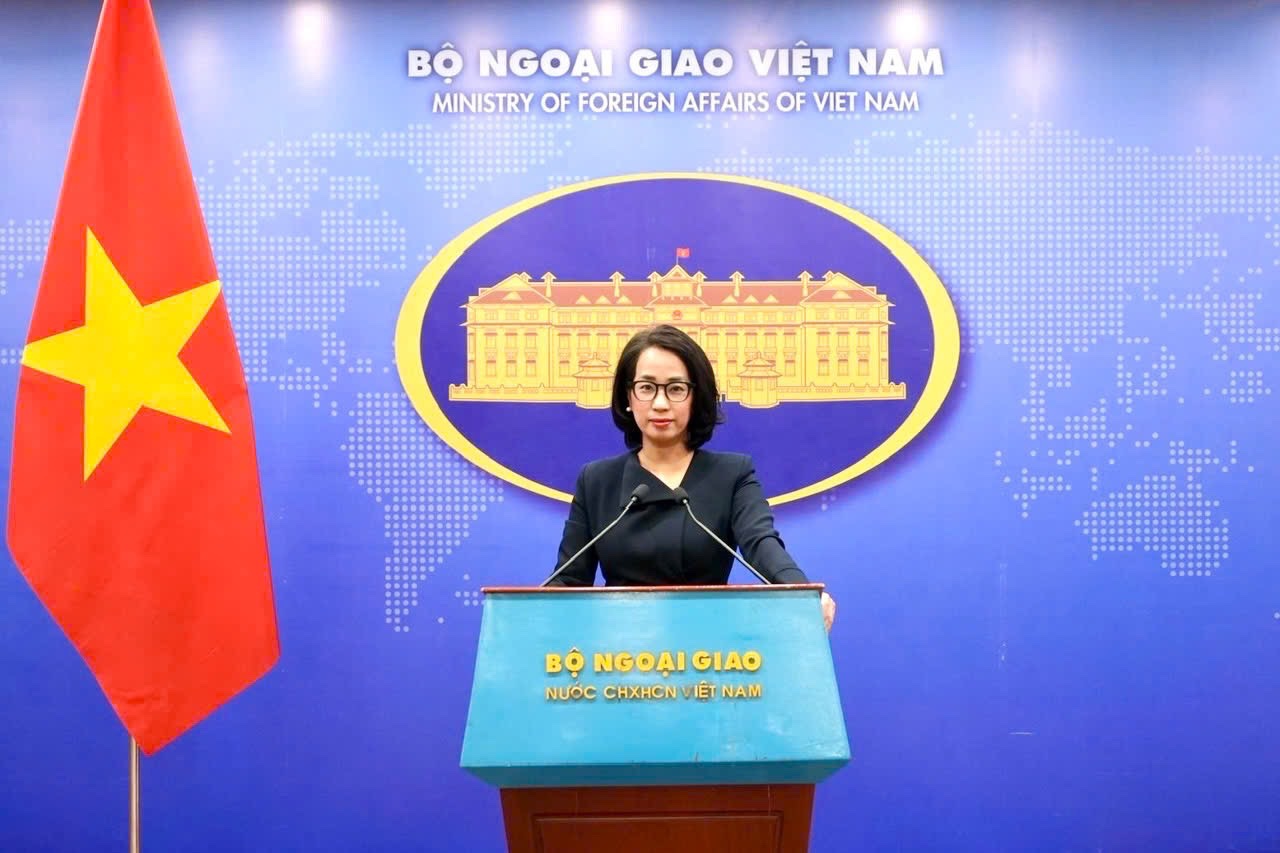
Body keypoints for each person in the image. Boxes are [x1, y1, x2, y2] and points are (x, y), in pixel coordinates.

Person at [548, 324, 837, 631]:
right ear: (628, 397)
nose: (660, 403)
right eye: (646, 388)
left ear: (695, 397)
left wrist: (804, 594)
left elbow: (762, 545)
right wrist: (531, 615)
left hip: (710, 648)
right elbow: (568, 579)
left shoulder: (732, 474)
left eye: (676, 389)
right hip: (618, 649)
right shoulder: (596, 481)